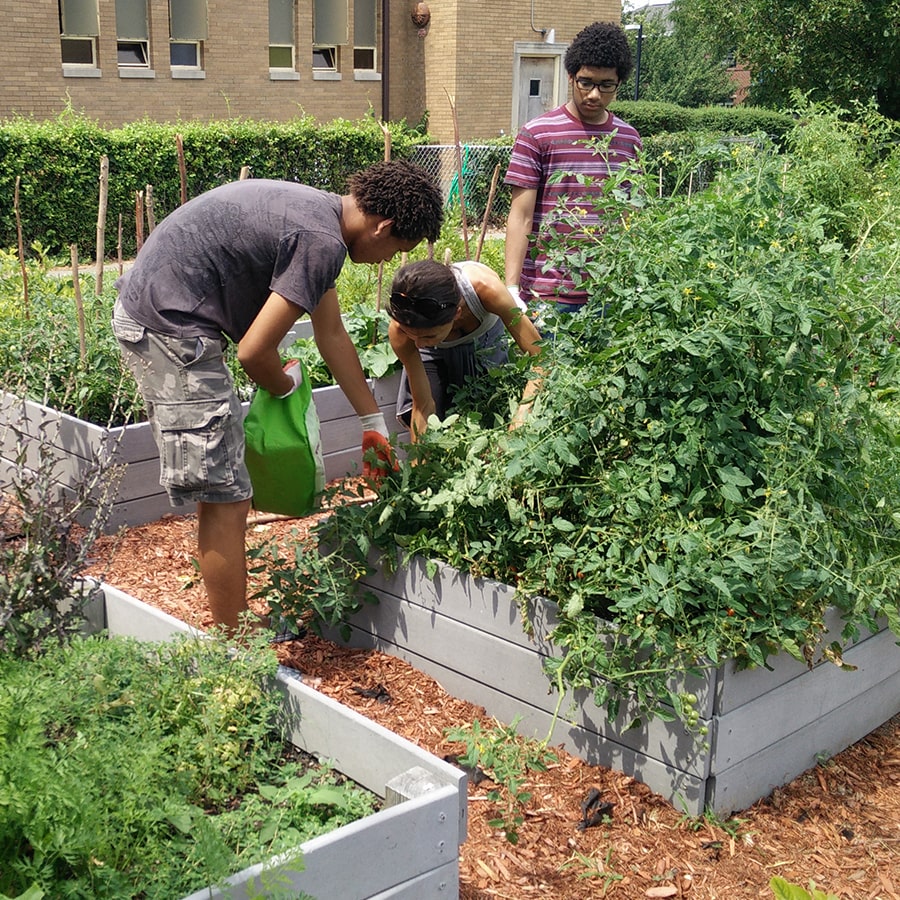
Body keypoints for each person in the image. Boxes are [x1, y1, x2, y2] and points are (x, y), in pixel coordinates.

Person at [112, 160, 444, 636]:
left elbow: (331, 334)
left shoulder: (321, 217)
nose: (390, 260)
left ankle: (231, 624)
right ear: (382, 226)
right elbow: (254, 353)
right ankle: (234, 645)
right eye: (397, 249)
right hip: (169, 329)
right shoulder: (323, 241)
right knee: (224, 494)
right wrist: (285, 388)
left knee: (225, 487)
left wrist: (372, 421)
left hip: (162, 313)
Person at [504, 21, 642, 312]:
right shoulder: (537, 134)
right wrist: (512, 288)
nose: (594, 94)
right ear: (570, 77)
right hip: (548, 295)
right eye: (586, 82)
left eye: (606, 85)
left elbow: (632, 214)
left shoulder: (628, 139)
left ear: (619, 83)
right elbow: (521, 215)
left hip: (608, 291)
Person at [388, 259, 543, 439]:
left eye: (428, 336)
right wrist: (419, 462)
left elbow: (540, 357)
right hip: (435, 353)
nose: (419, 344)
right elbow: (422, 406)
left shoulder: (488, 289)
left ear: (457, 314)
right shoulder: (401, 330)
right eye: (412, 336)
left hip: (486, 341)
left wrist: (521, 416)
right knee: (435, 420)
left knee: (494, 412)